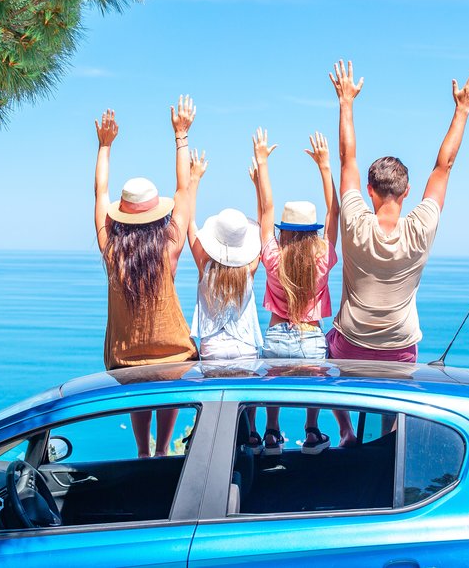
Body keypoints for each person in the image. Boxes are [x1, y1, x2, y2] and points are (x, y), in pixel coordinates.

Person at [325, 59, 469, 445]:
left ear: (369, 190)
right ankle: (388, 442)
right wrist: (463, 109)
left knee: (326, 345)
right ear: (407, 192)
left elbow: (347, 158)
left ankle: (346, 432)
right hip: (399, 348)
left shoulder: (355, 223)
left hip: (351, 344)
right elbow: (444, 167)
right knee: (393, 406)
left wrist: (346, 102)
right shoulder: (420, 228)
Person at [93, 99, 200, 458]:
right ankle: (163, 448)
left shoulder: (112, 252)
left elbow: (100, 194)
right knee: (168, 379)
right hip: (174, 356)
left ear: (121, 217)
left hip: (125, 361)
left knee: (138, 385)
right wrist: (181, 135)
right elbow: (183, 191)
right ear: (157, 215)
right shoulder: (169, 248)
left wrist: (104, 146)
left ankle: (143, 451)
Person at [252, 128, 339, 455]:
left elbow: (266, 210)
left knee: (272, 388)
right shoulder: (322, 257)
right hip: (311, 338)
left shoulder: (274, 257)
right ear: (313, 232)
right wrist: (325, 166)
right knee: (313, 389)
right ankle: (312, 431)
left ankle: (271, 433)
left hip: (277, 336)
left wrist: (262, 162)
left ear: (284, 232)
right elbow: (334, 213)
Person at [187, 151, 264, 450]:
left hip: (213, 347)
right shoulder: (249, 270)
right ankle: (252, 433)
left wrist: (194, 179)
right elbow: (265, 220)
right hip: (244, 345)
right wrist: (259, 184)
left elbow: (189, 222)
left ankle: (209, 444)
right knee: (246, 401)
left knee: (215, 404)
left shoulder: (204, 266)